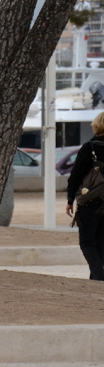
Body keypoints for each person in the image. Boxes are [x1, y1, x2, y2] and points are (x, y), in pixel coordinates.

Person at [66, 112, 104, 280]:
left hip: (89, 202)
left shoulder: (91, 147)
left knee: (87, 243)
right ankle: (96, 280)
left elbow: (76, 175)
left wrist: (70, 200)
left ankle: (100, 276)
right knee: (101, 244)